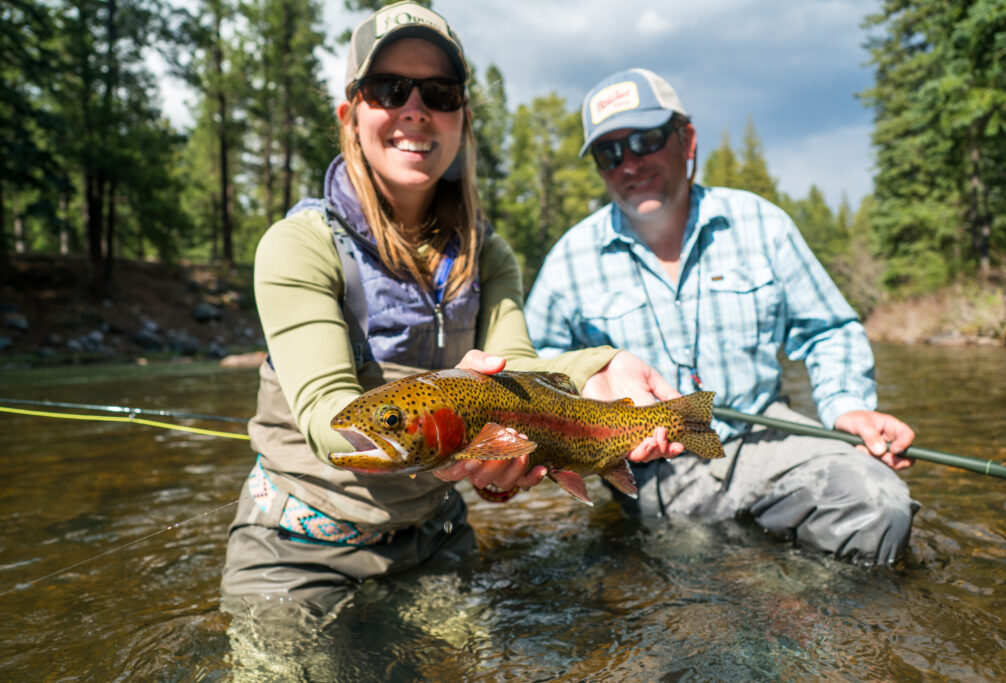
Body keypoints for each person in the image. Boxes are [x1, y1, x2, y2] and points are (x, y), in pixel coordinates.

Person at [220, 6, 686, 609]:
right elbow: (325, 416)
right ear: (350, 115)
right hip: (298, 550)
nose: (415, 108)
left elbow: (514, 375)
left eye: (439, 93)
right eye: (389, 89)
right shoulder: (300, 244)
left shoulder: (489, 254)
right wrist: (450, 420)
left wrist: (599, 368)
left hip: (438, 540)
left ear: (462, 120)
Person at [524, 68, 920, 566]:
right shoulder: (568, 260)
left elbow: (828, 329)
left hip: (766, 434)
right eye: (610, 153)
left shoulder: (760, 222)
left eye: (646, 140)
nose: (630, 163)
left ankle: (822, 616)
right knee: (688, 584)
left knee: (880, 507)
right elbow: (534, 370)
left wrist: (847, 406)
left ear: (686, 139)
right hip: (653, 469)